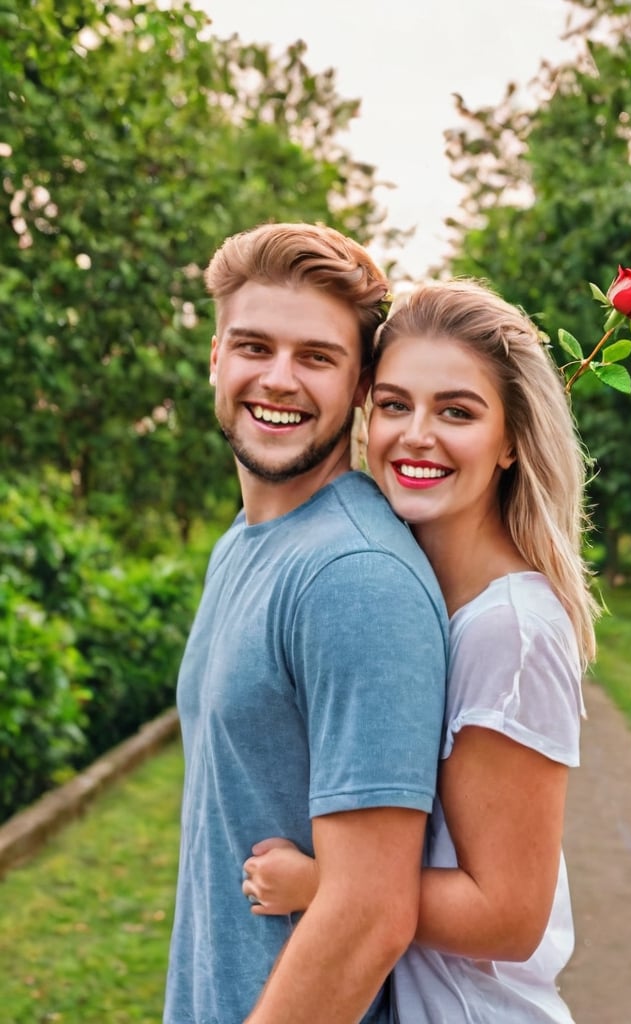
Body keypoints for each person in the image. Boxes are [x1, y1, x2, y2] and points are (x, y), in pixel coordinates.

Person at [241, 279, 600, 1022]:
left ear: (509, 442)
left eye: (457, 412)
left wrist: (326, 886)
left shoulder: (513, 631)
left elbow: (509, 915)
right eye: (396, 405)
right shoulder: (420, 596)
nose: (416, 435)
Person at [163, 223, 449, 1024]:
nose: (279, 380)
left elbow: (368, 917)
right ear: (217, 356)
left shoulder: (353, 577)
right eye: (254, 347)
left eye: (317, 357)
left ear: (360, 385)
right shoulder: (245, 541)